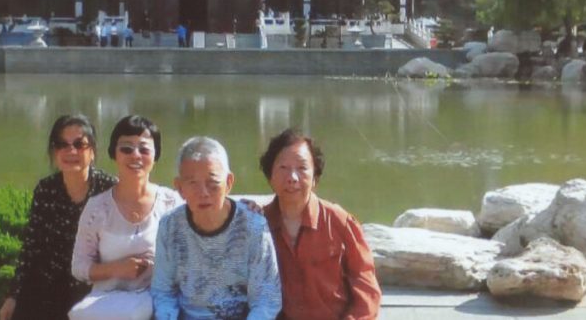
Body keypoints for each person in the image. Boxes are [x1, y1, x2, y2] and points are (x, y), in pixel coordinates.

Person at [0, 115, 117, 320]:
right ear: (54, 152)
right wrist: (13, 296)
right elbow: (31, 247)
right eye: (62, 144)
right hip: (49, 285)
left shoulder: (110, 189)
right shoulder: (46, 190)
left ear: (92, 151)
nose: (71, 151)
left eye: (79, 144)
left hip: (94, 285)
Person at [151, 137, 281, 320]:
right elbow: (163, 291)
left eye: (212, 183)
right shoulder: (169, 226)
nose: (203, 193)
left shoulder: (253, 226)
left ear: (228, 182)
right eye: (192, 183)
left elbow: (267, 299)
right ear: (179, 188)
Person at [70, 115, 183, 320]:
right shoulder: (97, 208)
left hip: (160, 305)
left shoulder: (172, 204)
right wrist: (117, 269)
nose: (135, 155)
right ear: (114, 153)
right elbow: (79, 267)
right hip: (106, 306)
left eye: (144, 149)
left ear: (155, 155)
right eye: (126, 149)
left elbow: (190, 257)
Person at [260, 129, 381, 320]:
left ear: (315, 177)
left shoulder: (340, 223)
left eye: (302, 168)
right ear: (270, 175)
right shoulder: (258, 224)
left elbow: (366, 291)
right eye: (283, 168)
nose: (292, 177)